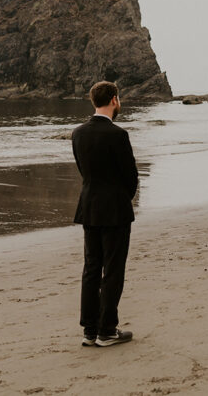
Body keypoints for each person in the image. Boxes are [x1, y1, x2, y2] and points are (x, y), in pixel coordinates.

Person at [72, 80, 138, 348]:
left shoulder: (78, 133)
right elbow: (130, 176)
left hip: (89, 206)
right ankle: (107, 330)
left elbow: (83, 170)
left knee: (91, 268)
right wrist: (124, 197)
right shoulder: (118, 134)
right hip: (115, 209)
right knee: (112, 269)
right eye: (118, 98)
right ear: (114, 100)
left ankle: (89, 330)